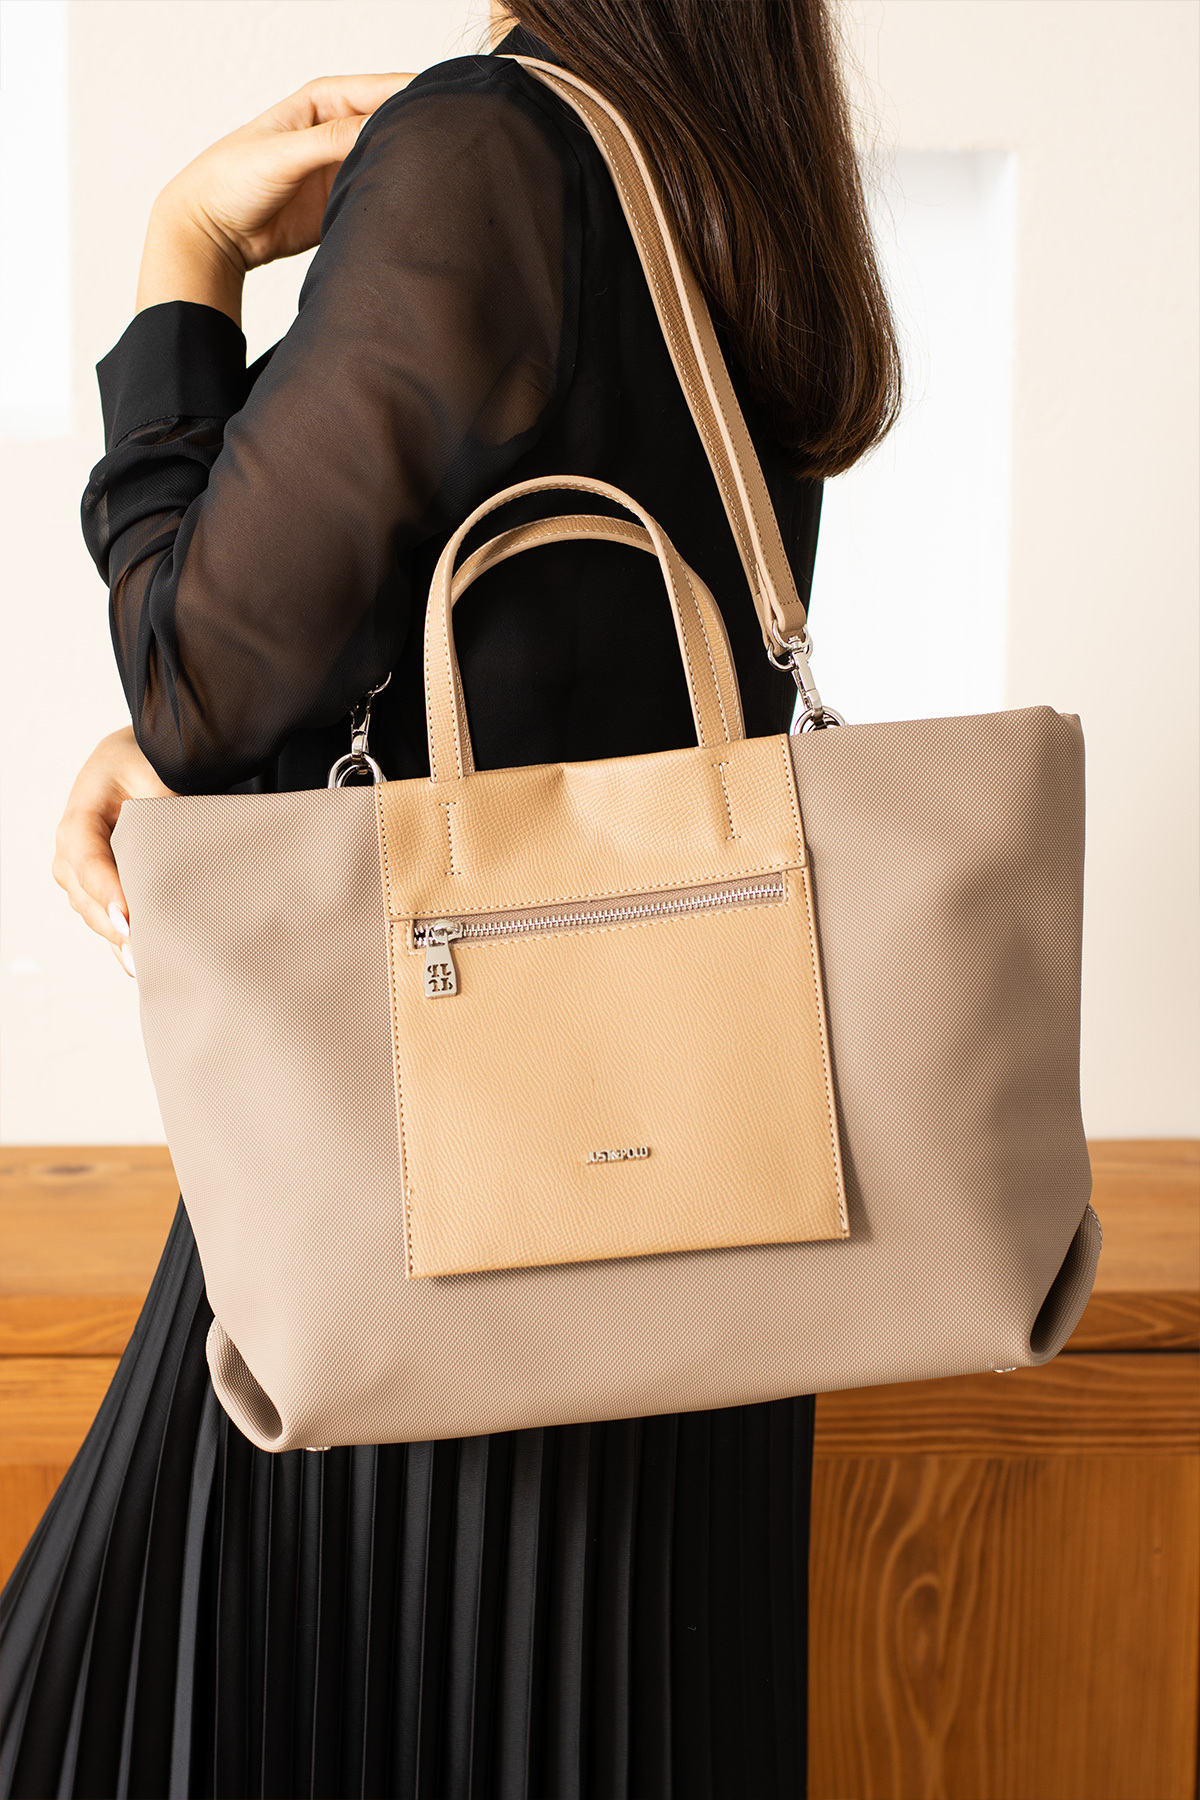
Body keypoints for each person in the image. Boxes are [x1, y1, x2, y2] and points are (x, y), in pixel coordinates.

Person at [1, 4, 900, 1794]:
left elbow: (202, 677)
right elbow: (571, 671)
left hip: (427, 1209)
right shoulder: (731, 160)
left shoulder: (489, 142)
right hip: (703, 1229)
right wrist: (186, 735)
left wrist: (185, 256)